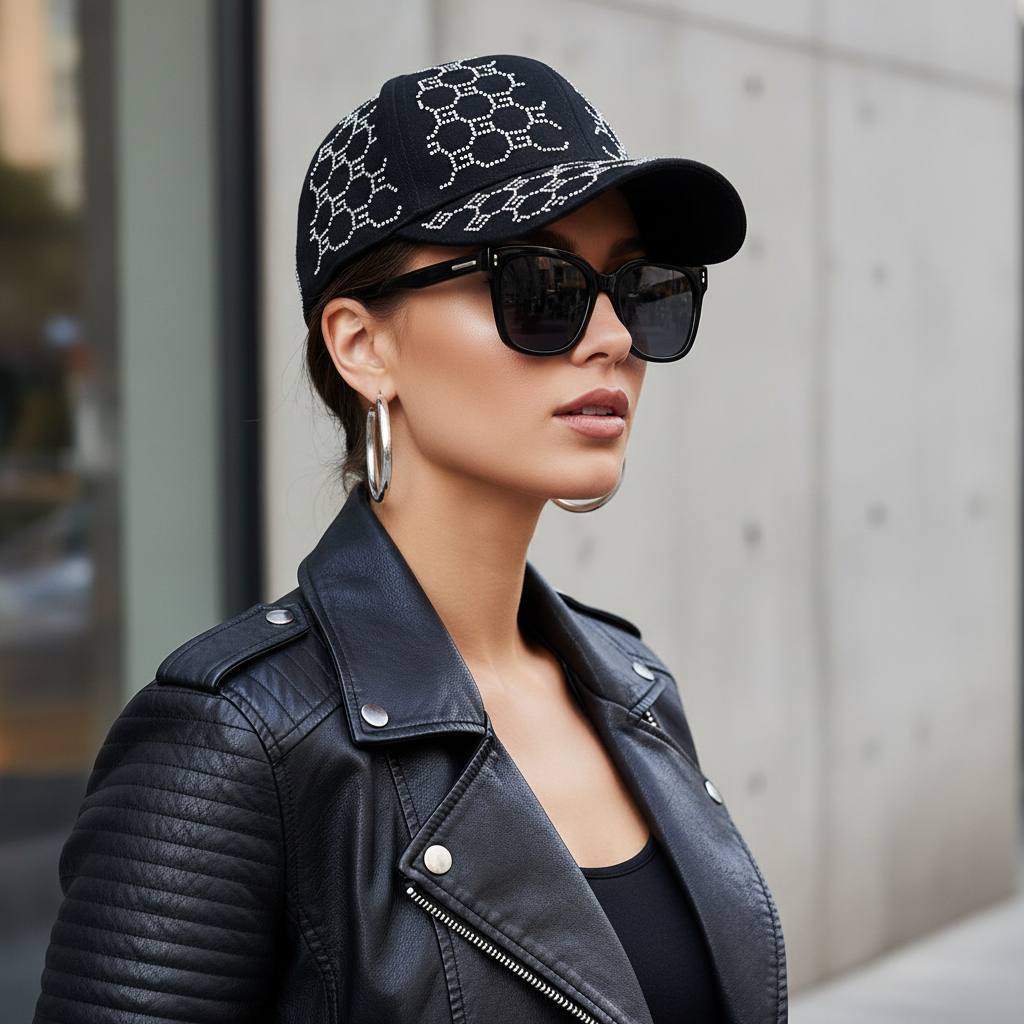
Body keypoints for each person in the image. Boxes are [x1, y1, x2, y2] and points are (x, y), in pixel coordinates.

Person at [35, 55, 786, 1024]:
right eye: (544, 284)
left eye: (639, 287)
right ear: (363, 346)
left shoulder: (633, 687)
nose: (611, 337)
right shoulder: (236, 741)